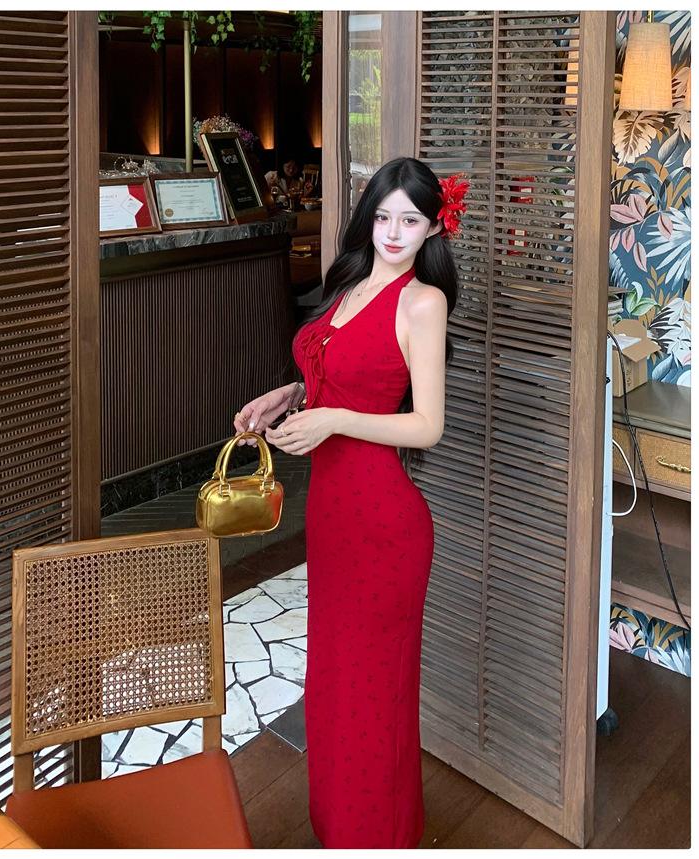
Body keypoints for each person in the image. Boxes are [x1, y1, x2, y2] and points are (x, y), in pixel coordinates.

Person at [232, 156, 467, 848]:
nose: (392, 232)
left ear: (434, 228)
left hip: (384, 525)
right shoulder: (351, 283)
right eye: (383, 216)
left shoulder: (422, 302)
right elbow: (338, 371)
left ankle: (380, 837)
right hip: (334, 515)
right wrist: (291, 394)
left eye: (410, 220)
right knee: (335, 684)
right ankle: (338, 829)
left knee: (374, 694)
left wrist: (333, 420)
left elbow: (428, 425)